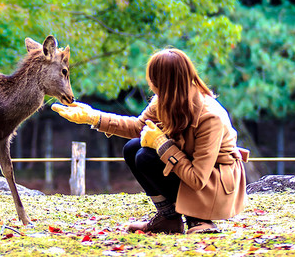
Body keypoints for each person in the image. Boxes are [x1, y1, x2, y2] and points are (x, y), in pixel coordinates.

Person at [52, 48, 247, 234]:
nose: (150, 85)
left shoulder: (209, 117)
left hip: (215, 185)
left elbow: (197, 179)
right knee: (133, 148)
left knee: (146, 156)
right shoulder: (165, 99)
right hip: (193, 171)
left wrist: (162, 145)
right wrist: (93, 117)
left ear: (163, 82)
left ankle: (200, 219)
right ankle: (168, 218)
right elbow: (139, 128)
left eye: (153, 80)